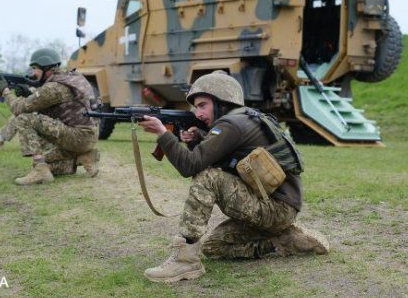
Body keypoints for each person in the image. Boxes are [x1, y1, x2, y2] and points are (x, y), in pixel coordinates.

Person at [138, 71, 329, 283]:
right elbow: (228, 159)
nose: (198, 113)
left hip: (275, 209)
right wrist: (198, 139)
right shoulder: (243, 118)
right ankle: (283, 239)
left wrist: (163, 134)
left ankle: (185, 261)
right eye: (196, 107)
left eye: (202, 105)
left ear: (222, 101)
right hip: (277, 208)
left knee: (207, 177)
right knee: (214, 247)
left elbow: (190, 166)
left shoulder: (231, 125)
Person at [0, 48, 100, 185]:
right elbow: (53, 103)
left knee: (24, 119)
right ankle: (83, 157)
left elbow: (18, 109)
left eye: (35, 68)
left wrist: (5, 91)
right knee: (48, 160)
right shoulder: (71, 77)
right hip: (87, 136)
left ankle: (40, 170)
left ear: (46, 67)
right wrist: (29, 93)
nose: (32, 72)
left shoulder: (53, 88)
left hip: (76, 137)